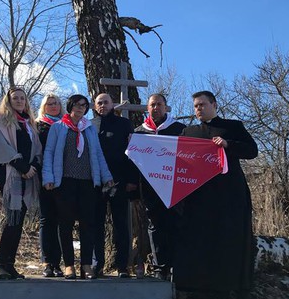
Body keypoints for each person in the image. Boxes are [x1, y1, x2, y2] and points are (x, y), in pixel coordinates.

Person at [174, 90, 258, 299]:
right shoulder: (188, 131)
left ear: (214, 104)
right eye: (195, 106)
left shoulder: (233, 127)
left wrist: (228, 144)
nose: (198, 109)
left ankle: (234, 288)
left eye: (202, 104)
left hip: (229, 194)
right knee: (200, 239)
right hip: (199, 196)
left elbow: (252, 150)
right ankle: (199, 289)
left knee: (230, 239)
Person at [43, 94, 114, 280]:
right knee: (65, 224)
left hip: (88, 183)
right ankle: (68, 265)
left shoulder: (89, 128)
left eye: (84, 105)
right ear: (70, 106)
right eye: (77, 104)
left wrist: (106, 177)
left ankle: (86, 265)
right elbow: (49, 153)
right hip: (64, 181)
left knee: (87, 224)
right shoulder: (58, 127)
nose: (81, 108)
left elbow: (98, 154)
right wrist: (48, 177)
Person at [0, 87, 42, 279]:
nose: (19, 101)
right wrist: (22, 166)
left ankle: (10, 264)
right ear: (8, 101)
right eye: (15, 98)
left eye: (22, 98)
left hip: (28, 175)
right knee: (12, 219)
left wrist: (33, 166)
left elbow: (37, 149)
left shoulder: (29, 124)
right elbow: (0, 147)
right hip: (11, 174)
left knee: (19, 221)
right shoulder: (1, 121)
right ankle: (1, 264)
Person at [135, 93, 185, 279]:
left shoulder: (179, 129)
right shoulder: (139, 132)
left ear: (166, 107)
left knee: (175, 224)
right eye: (152, 105)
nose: (155, 108)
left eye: (159, 104)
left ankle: (176, 265)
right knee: (155, 226)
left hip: (174, 186)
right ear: (147, 108)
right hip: (150, 188)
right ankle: (159, 267)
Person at [92, 93, 136, 278]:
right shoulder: (90, 126)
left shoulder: (123, 124)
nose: (103, 105)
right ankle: (97, 265)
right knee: (96, 225)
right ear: (95, 107)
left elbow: (133, 152)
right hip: (96, 182)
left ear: (113, 104)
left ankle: (122, 266)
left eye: (106, 102)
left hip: (120, 180)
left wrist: (132, 179)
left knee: (121, 224)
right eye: (99, 103)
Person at [36, 93, 64, 277]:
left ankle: (57, 262)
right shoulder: (38, 125)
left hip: (64, 177)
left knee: (62, 220)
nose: (53, 106)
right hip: (43, 177)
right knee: (47, 219)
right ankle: (47, 262)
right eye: (49, 104)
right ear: (44, 107)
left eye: (56, 103)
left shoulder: (66, 125)